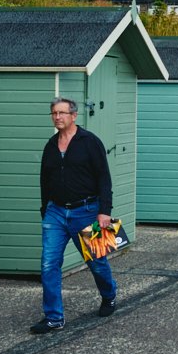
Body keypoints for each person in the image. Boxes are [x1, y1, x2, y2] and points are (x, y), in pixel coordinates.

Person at [30, 97, 118, 334]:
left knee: (97, 262)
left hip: (87, 211)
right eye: (54, 113)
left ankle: (109, 295)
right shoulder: (50, 145)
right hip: (56, 213)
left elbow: (104, 178)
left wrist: (104, 212)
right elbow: (44, 181)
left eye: (62, 113)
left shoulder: (90, 142)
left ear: (74, 116)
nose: (57, 117)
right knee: (49, 264)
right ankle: (54, 317)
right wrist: (45, 209)